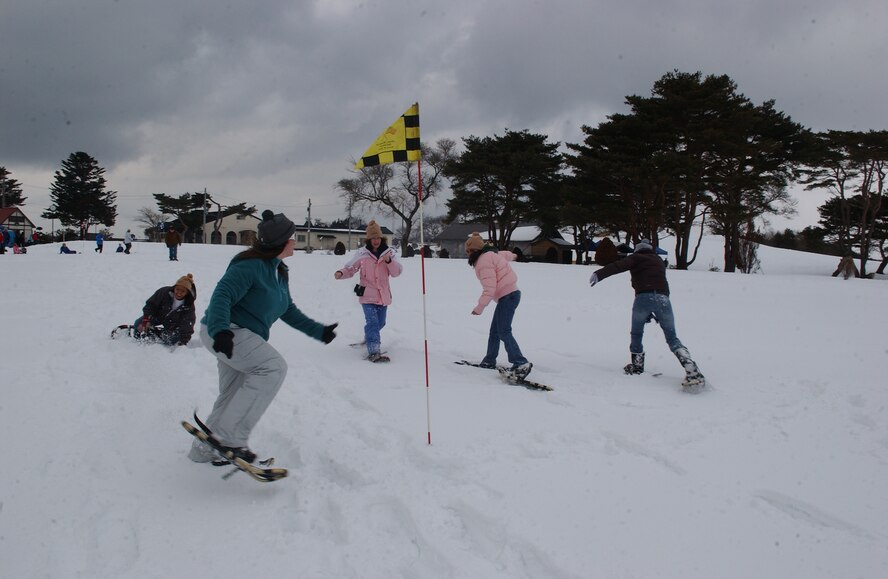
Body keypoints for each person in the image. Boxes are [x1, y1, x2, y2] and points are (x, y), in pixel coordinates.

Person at [188, 210, 338, 465]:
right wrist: (221, 330)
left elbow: (286, 309)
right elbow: (221, 296)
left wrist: (318, 331)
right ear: (282, 241)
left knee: (233, 393)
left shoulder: (278, 271)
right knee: (272, 367)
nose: (295, 240)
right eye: (292, 236)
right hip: (225, 331)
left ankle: (204, 450)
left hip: (234, 334)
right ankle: (229, 439)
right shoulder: (250, 266)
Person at [589, 239, 705, 392]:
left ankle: (637, 365)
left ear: (637, 250)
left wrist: (599, 274)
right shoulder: (658, 260)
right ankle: (689, 365)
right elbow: (657, 281)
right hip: (663, 299)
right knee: (672, 338)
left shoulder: (636, 258)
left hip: (643, 298)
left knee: (637, 333)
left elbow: (619, 266)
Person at [465, 232, 532, 379]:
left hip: (508, 296)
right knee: (495, 331)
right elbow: (505, 255)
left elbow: (490, 288)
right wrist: (515, 256)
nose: (468, 255)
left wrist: (479, 308)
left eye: (468, 252)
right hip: (509, 295)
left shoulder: (483, 262)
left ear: (474, 251)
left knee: (503, 331)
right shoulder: (491, 255)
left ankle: (520, 362)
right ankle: (489, 360)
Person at [333, 220, 402, 362]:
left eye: (378, 238)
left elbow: (396, 272)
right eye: (373, 238)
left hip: (383, 296)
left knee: (380, 323)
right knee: (372, 323)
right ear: (368, 240)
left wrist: (389, 260)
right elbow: (350, 268)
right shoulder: (362, 254)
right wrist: (341, 273)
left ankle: (369, 337)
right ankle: (374, 350)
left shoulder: (389, 253)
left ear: (382, 238)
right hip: (367, 295)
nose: (375, 241)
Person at [134, 274, 198, 346]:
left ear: (187, 293)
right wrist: (146, 319)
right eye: (177, 289)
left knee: (171, 339)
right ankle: (150, 331)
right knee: (138, 324)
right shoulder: (164, 292)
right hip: (157, 316)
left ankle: (154, 333)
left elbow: (187, 325)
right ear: (174, 287)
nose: (179, 293)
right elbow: (150, 305)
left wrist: (183, 341)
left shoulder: (189, 305)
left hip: (173, 324)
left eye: (183, 291)